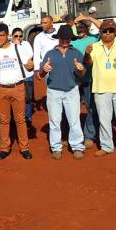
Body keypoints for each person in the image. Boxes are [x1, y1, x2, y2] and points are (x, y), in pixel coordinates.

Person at [0, 23, 34, 160]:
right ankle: (5, 148)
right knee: (4, 120)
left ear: (8, 35)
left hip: (17, 87)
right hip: (1, 89)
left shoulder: (18, 49)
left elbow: (29, 66)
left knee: (20, 119)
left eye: (1, 35)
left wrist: (31, 65)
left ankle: (24, 148)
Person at [39, 25, 86, 159]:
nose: (65, 40)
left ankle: (77, 146)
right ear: (58, 38)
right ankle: (56, 147)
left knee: (74, 120)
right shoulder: (50, 53)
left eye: (68, 38)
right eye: (63, 38)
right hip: (53, 91)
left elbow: (82, 74)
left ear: (71, 38)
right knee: (54, 121)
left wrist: (81, 68)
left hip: (72, 90)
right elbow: (41, 75)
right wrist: (44, 69)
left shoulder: (76, 53)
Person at [85, 19, 116, 157]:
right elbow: (88, 63)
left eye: (111, 31)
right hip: (101, 87)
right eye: (105, 31)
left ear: (115, 32)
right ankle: (106, 146)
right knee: (104, 119)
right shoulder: (95, 46)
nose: (108, 33)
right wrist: (86, 54)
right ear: (100, 32)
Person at [71, 21, 100, 148]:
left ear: (87, 28)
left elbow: (102, 27)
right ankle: (73, 135)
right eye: (78, 28)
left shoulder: (94, 39)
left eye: (82, 27)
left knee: (90, 108)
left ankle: (89, 135)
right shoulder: (71, 42)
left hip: (89, 80)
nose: (80, 30)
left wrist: (88, 17)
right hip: (74, 81)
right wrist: (74, 23)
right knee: (73, 109)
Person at [11, 28, 36, 128]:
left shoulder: (26, 44)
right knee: (16, 99)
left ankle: (28, 118)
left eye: (20, 36)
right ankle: (16, 118)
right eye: (16, 36)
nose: (18, 38)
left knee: (28, 99)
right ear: (12, 36)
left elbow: (29, 56)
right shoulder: (9, 46)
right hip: (16, 77)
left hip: (28, 75)